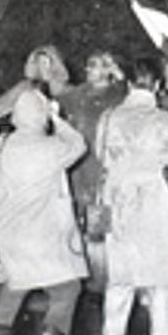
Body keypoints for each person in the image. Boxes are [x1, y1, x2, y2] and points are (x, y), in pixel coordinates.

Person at [98, 59, 168, 335]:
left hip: (118, 197)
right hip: (152, 198)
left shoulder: (110, 117)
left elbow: (102, 156)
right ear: (157, 85)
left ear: (129, 84)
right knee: (160, 276)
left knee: (120, 276)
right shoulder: (163, 120)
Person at [0, 92, 90, 335]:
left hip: (9, 229)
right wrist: (57, 118)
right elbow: (79, 145)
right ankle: (55, 330)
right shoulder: (51, 149)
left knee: (19, 279)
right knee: (67, 287)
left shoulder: (1, 144)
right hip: (40, 232)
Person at [59, 50, 128, 287]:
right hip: (76, 163)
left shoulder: (117, 95)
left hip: (100, 165)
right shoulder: (78, 94)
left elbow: (132, 99)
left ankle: (99, 278)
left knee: (98, 221)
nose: (88, 69)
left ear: (108, 69)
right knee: (74, 217)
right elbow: (59, 99)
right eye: (88, 65)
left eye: (95, 65)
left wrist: (121, 78)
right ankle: (77, 273)